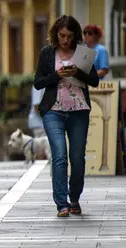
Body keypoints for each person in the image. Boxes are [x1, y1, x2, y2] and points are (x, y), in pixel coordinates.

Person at [34, 15, 100, 217]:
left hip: (79, 111)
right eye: (62, 36)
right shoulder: (47, 53)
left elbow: (94, 81)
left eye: (69, 36)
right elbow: (38, 82)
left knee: (77, 158)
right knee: (60, 156)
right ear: (56, 34)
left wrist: (77, 72)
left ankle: (74, 198)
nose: (65, 40)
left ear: (75, 36)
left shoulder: (82, 54)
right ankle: (61, 203)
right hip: (53, 110)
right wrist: (57, 75)